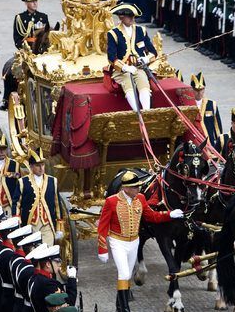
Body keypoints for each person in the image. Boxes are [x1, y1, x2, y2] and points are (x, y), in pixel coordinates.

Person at [97, 170, 184, 311]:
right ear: (125, 188)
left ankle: (119, 305)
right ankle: (125, 308)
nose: (138, 189)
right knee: (124, 273)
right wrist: (103, 249)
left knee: (127, 275)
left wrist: (169, 215)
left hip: (134, 242)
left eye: (138, 186)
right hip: (117, 241)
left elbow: (152, 216)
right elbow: (102, 226)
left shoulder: (141, 199)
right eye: (134, 187)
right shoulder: (111, 201)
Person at [106, 3, 158, 112]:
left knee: (143, 83)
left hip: (138, 68)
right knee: (128, 85)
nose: (132, 18)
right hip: (122, 71)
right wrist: (125, 67)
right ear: (121, 17)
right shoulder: (113, 33)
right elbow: (111, 57)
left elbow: (153, 52)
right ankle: (136, 112)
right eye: (129, 16)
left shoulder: (141, 30)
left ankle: (146, 111)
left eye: (133, 16)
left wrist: (146, 58)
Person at [13, 148, 63, 245]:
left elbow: (57, 204)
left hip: (47, 223)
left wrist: (59, 226)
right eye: (37, 165)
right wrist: (16, 219)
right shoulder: (23, 182)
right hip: (30, 224)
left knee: (48, 251)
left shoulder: (53, 181)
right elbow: (16, 203)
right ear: (31, 167)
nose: (41, 168)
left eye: (42, 165)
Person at [27, 244, 77, 312]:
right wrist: (72, 278)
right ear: (48, 264)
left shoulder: (38, 277)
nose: (59, 264)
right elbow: (69, 303)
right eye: (57, 262)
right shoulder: (48, 284)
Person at [191, 72, 222, 144]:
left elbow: (217, 127)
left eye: (201, 89)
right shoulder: (189, 105)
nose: (199, 93)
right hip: (194, 142)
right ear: (192, 89)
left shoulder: (212, 105)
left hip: (209, 143)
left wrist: (220, 143)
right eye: (196, 90)